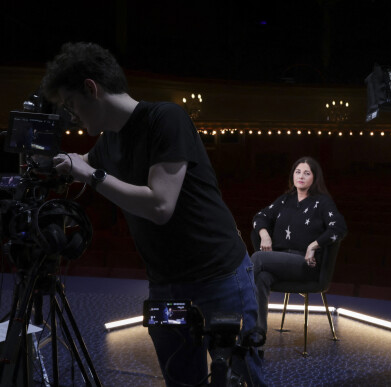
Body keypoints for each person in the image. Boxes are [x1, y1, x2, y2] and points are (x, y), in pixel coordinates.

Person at [42, 42, 266, 387]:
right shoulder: (108, 141)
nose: (72, 115)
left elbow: (160, 206)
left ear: (91, 88)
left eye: (72, 104)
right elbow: (82, 162)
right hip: (166, 286)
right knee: (181, 379)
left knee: (243, 377)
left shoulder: (166, 118)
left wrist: (91, 175)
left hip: (220, 278)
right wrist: (54, 164)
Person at [250, 156, 347, 339]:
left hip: (304, 264)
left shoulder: (322, 202)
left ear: (314, 178)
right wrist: (264, 234)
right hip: (280, 261)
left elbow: (339, 228)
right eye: (297, 171)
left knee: (257, 259)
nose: (301, 176)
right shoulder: (286, 199)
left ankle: (234, 306)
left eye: (307, 173)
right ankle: (257, 334)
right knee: (261, 277)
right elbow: (260, 216)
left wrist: (314, 245)